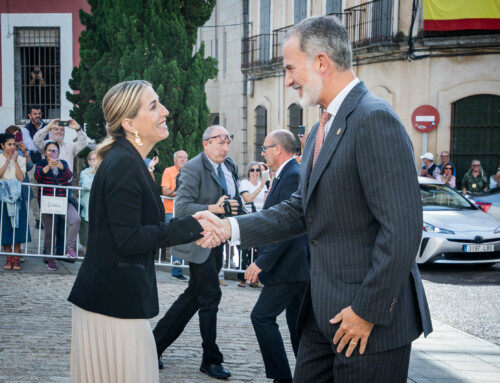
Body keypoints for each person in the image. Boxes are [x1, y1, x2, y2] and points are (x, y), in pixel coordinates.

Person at [196, 15, 432, 383]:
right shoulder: (325, 124)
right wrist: (230, 228)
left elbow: (402, 230)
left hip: (366, 324)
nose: (287, 79)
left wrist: (366, 311)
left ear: (322, 61)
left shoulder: (374, 119)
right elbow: (299, 210)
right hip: (322, 318)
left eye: (291, 67)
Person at [67, 80, 220, 383]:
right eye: (153, 106)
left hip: (114, 301)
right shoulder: (124, 163)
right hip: (114, 305)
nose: (164, 110)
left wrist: (193, 221)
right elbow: (130, 239)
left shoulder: (127, 160)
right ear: (128, 122)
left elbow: (136, 229)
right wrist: (192, 227)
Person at [153, 125, 244, 380]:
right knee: (210, 296)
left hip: (218, 242)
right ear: (205, 143)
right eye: (219, 141)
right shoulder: (193, 167)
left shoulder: (231, 166)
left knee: (194, 296)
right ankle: (210, 359)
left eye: (228, 141)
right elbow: (181, 208)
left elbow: (233, 201)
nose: (225, 147)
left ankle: (153, 345)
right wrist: (213, 208)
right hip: (198, 243)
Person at [244, 130, 309, 383]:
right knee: (297, 328)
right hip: (295, 267)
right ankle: (307, 375)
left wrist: (261, 262)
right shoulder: (286, 174)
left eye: (265, 148)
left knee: (261, 316)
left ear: (278, 149)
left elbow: (286, 227)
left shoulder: (292, 175)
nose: (263, 153)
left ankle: (282, 378)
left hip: (289, 265)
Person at [34, 118, 88, 256]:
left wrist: (77, 129)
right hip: (48, 189)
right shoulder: (45, 145)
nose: (59, 131)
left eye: (61, 129)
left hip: (65, 188)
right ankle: (49, 252)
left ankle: (61, 251)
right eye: (56, 129)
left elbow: (83, 143)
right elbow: (36, 141)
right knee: (50, 225)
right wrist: (47, 127)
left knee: (65, 222)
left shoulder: (69, 145)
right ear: (51, 131)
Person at [35, 141, 81, 270]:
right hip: (47, 202)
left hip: (63, 200)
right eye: (49, 150)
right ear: (45, 152)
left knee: (75, 219)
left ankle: (70, 248)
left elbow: (69, 177)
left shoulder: (63, 163)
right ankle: (50, 258)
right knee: (50, 231)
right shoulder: (41, 163)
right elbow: (38, 176)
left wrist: (62, 168)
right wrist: (48, 166)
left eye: (54, 150)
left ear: (58, 153)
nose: (52, 153)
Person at [0, 133, 30, 271]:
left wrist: (16, 161)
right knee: (5, 226)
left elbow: (21, 178)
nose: (12, 147)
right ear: (3, 146)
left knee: (18, 227)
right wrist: (7, 162)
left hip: (17, 196)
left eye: (14, 144)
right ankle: (8, 258)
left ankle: (16, 258)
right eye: (9, 144)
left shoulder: (21, 159)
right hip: (3, 196)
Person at [237, 161, 268, 287]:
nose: (255, 172)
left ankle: (255, 278)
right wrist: (260, 187)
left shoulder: (264, 185)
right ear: (248, 172)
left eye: (257, 170)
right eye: (252, 170)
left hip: (260, 217)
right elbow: (247, 199)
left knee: (258, 249)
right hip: (248, 216)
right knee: (246, 249)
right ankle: (242, 278)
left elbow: (267, 200)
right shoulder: (245, 183)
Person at [161, 150, 189, 281]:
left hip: (185, 211)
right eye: (180, 157)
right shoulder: (168, 171)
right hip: (170, 210)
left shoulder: (190, 172)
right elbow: (165, 190)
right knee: (174, 238)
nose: (183, 160)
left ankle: (179, 269)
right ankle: (176, 270)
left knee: (184, 238)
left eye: (185, 158)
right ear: (174, 160)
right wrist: (181, 194)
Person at [78, 150, 96, 255]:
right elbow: (85, 185)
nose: (95, 162)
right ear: (89, 161)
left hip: (100, 213)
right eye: (93, 159)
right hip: (87, 212)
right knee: (86, 241)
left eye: (97, 159)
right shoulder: (84, 172)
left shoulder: (104, 171)